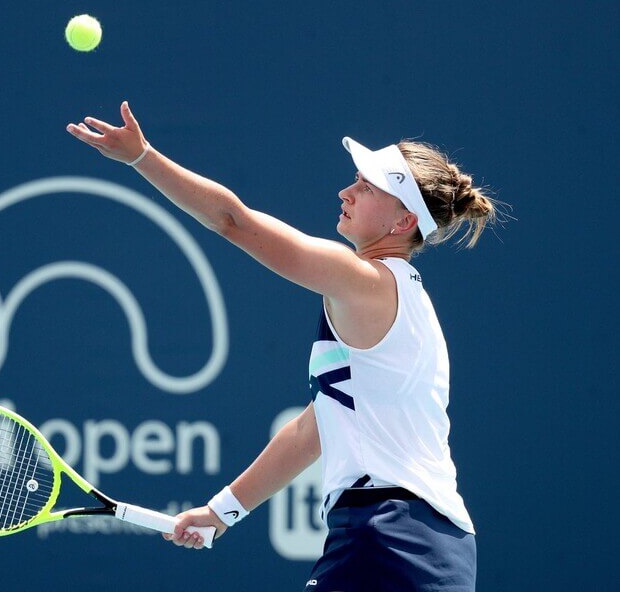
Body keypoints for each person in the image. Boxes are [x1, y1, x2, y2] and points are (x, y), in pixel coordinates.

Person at [67, 102, 501, 591]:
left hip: (387, 538)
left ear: (402, 223)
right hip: (437, 546)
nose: (346, 191)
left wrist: (142, 157)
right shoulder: (407, 304)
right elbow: (310, 431)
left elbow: (234, 222)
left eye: (366, 187)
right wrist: (222, 511)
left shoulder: (363, 282)